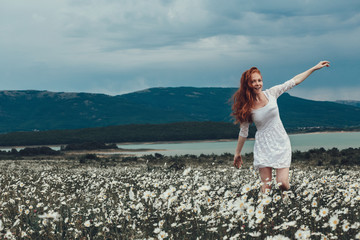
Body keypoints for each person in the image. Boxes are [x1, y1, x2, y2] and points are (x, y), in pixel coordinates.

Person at [232, 61, 330, 193]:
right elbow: (243, 132)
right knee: (266, 187)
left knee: (282, 183)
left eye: (259, 80)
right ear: (247, 84)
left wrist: (314, 68)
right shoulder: (246, 107)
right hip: (263, 145)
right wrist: (238, 153)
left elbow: (294, 81)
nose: (257, 84)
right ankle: (265, 210)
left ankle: (286, 198)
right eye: (253, 81)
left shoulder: (271, 93)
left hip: (280, 141)